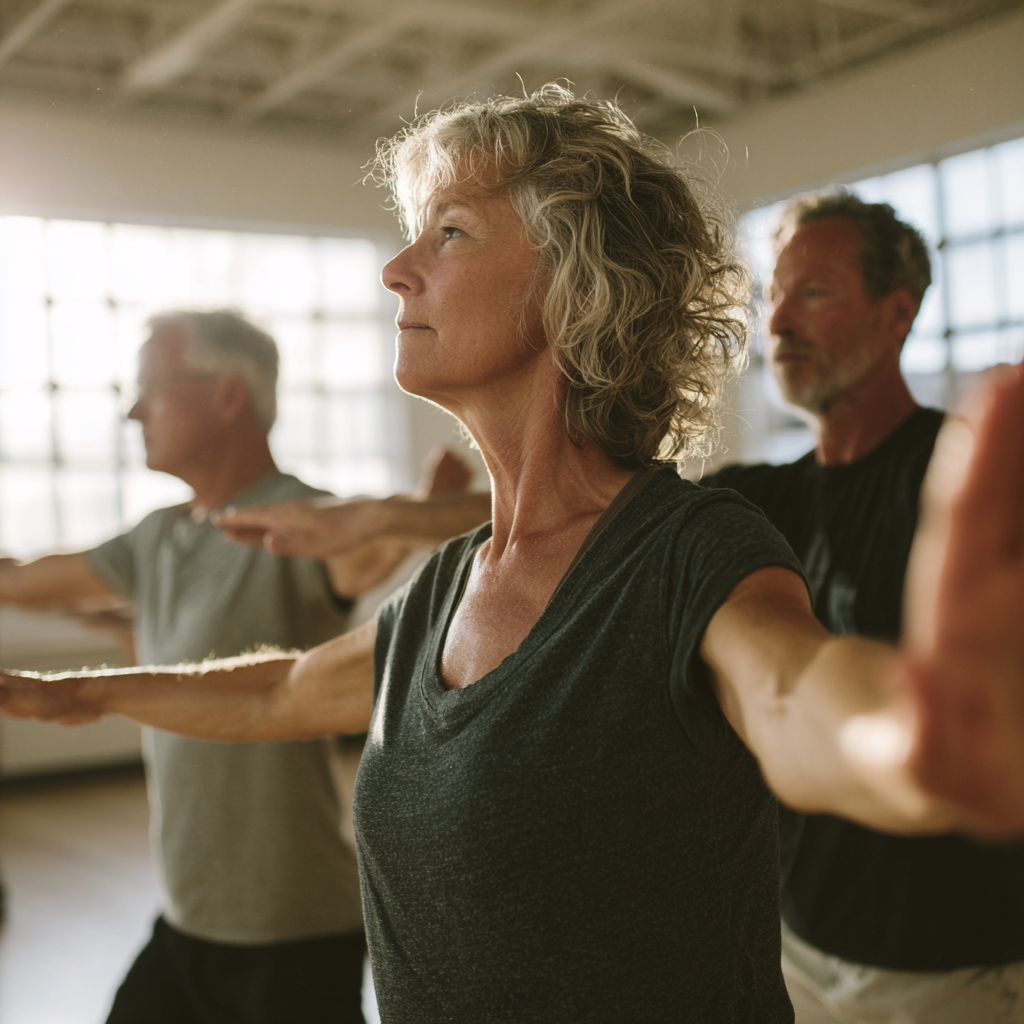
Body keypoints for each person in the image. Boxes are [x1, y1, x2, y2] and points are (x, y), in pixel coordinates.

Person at [1, 87, 1022, 1023]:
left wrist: (899, 740)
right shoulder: (451, 581)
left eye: (448, 233)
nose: (398, 268)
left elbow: (792, 689)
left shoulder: (687, 549)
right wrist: (82, 695)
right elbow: (283, 693)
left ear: (578, 287)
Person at [0, 309, 468, 1024]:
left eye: (152, 386)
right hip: (188, 916)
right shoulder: (156, 538)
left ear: (227, 395)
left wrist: (414, 517)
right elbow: (22, 579)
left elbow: (365, 553)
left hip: (291, 927)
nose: (133, 409)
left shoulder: (303, 519)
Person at [701, 193, 1024, 1021]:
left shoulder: (971, 494)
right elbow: (591, 519)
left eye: (813, 292)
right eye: (772, 293)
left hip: (963, 966)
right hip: (799, 950)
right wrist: (389, 517)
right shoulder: (752, 501)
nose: (778, 322)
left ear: (897, 315)